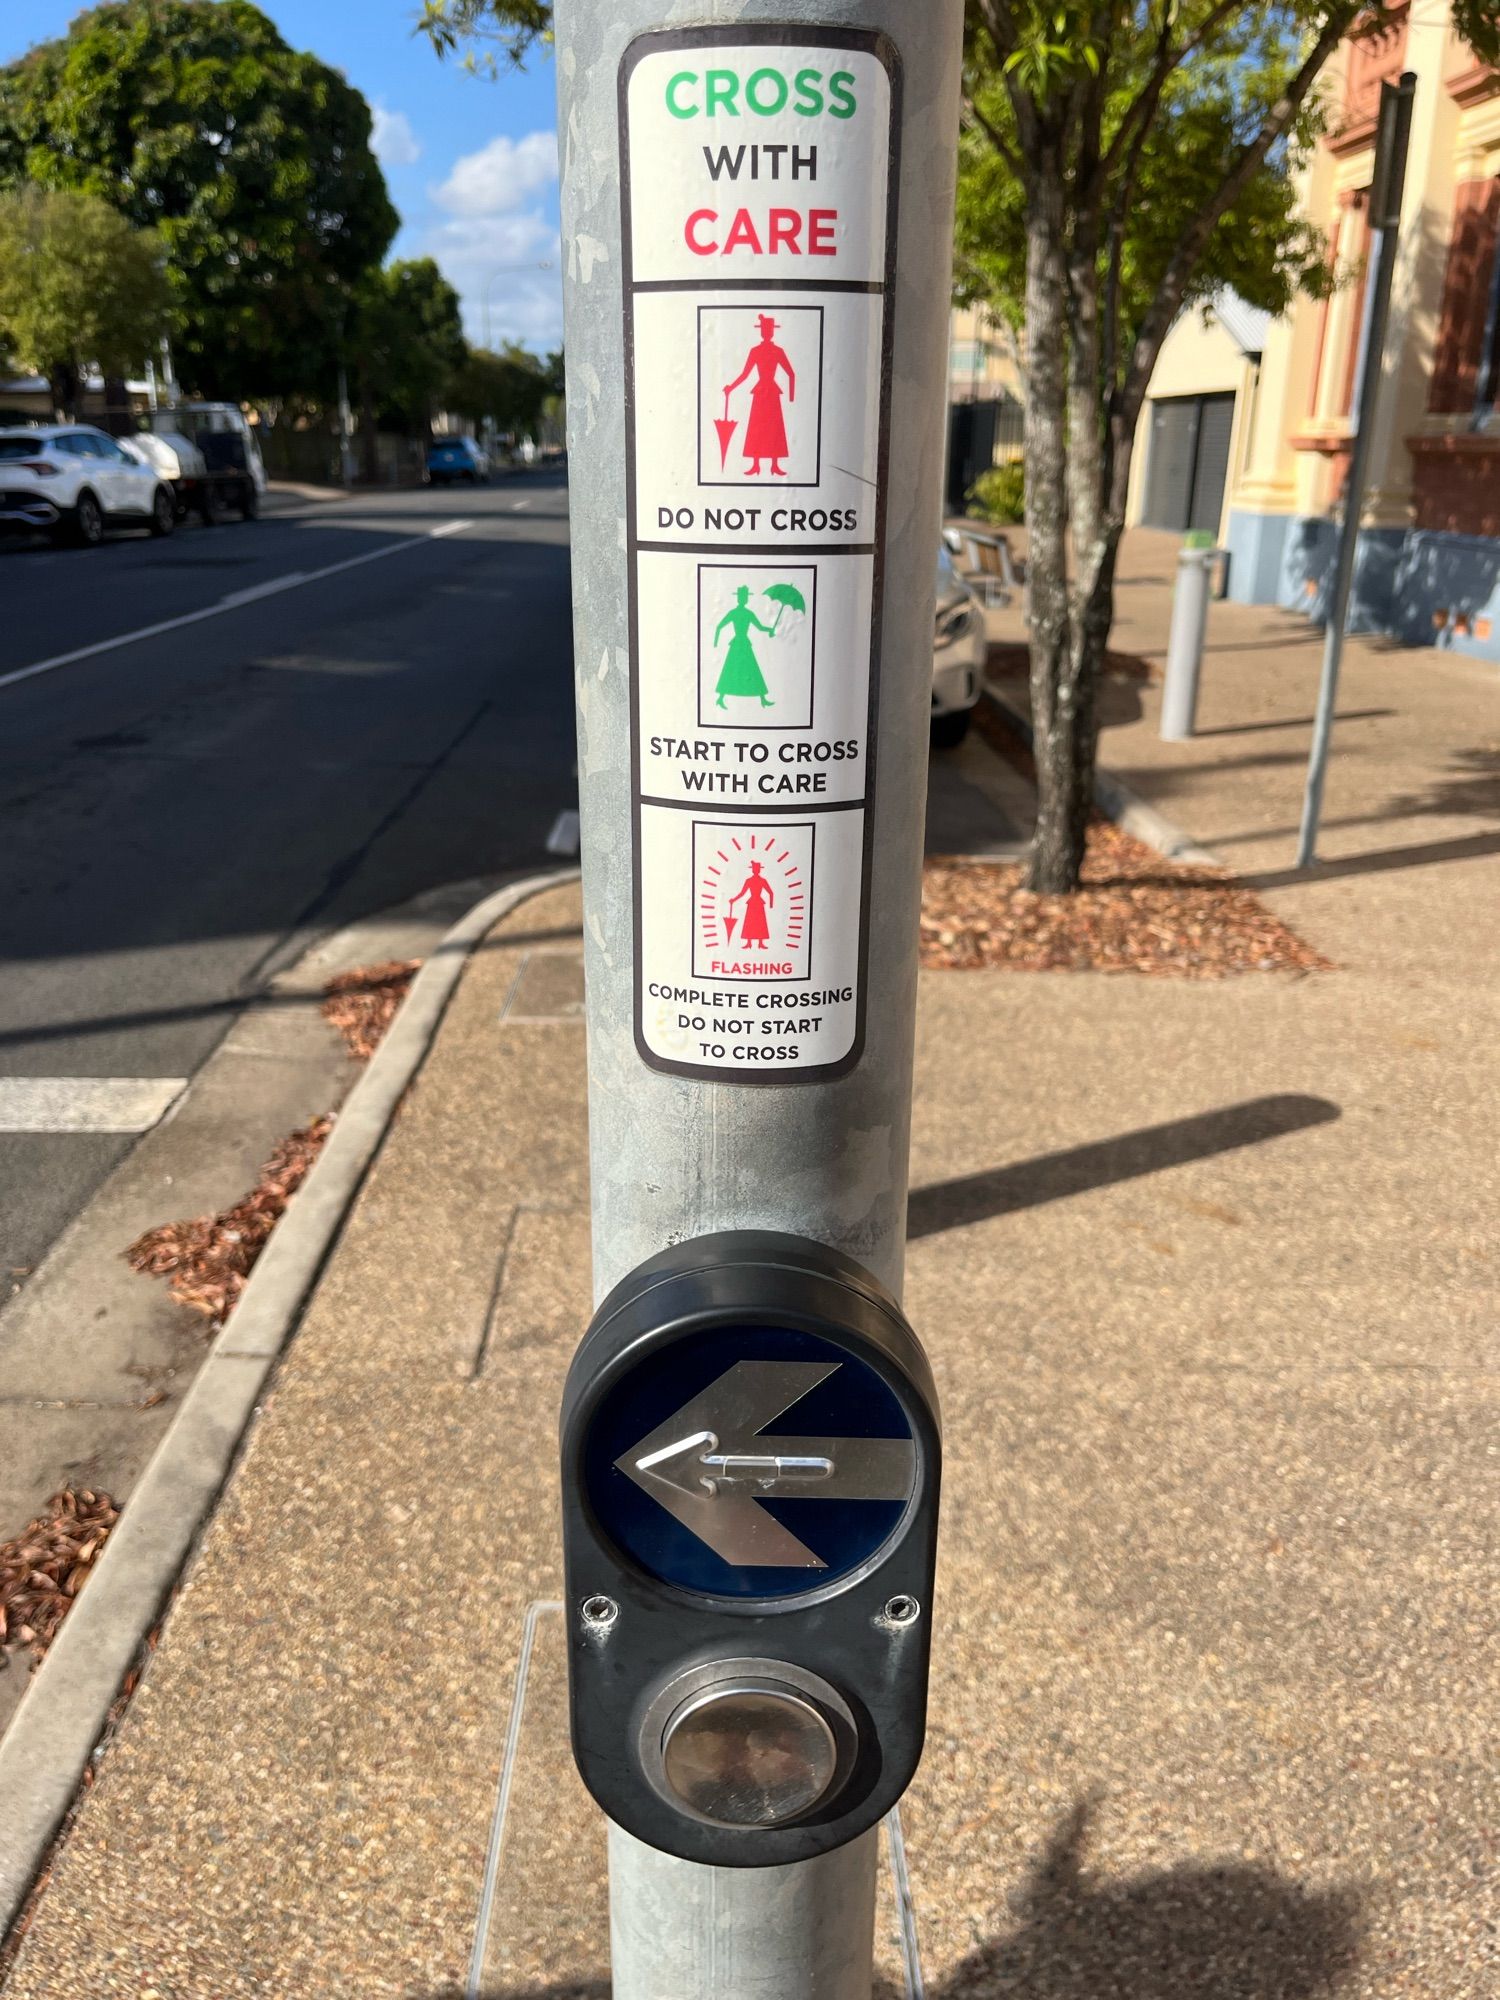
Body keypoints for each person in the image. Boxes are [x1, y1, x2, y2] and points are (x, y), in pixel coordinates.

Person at [724, 314, 795, 476]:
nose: (766, 332)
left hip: (769, 391)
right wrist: (731, 387)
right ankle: (756, 464)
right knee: (758, 427)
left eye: (768, 330)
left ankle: (774, 465)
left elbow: (791, 373)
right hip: (762, 391)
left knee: (773, 428)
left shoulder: (777, 351)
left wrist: (791, 396)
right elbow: (745, 374)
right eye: (764, 330)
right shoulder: (756, 351)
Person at [712, 586, 775, 709]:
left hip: (741, 643)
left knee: (749, 669)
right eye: (743, 596)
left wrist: (770, 629)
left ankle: (762, 699)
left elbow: (760, 627)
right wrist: (715, 643)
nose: (744, 598)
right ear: (740, 598)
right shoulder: (740, 613)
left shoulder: (744, 613)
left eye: (745, 596)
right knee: (733, 669)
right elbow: (719, 626)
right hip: (739, 643)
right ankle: (720, 698)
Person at [727, 861, 774, 948]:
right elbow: (742, 893)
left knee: (760, 922)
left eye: (756, 868)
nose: (755, 870)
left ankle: (760, 943)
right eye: (755, 868)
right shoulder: (750, 880)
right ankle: (750, 943)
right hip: (754, 903)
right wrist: (734, 900)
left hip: (757, 903)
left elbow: (771, 892)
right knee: (750, 922)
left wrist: (771, 905)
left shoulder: (761, 880)